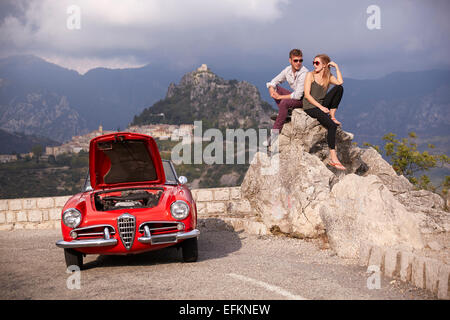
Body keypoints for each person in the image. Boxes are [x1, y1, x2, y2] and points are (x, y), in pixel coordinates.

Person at [302, 54, 345, 170]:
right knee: (332, 126)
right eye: (314, 62)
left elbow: (340, 82)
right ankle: (333, 158)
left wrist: (336, 68)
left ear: (325, 65)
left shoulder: (328, 76)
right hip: (310, 106)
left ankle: (332, 115)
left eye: (317, 63)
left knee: (339, 89)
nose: (314, 65)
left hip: (321, 104)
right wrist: (320, 108)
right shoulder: (310, 75)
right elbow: (307, 95)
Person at [266, 49, 309, 132]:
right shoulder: (287, 70)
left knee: (284, 102)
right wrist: (271, 90)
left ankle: (274, 134)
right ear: (290, 60)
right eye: (295, 60)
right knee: (275, 88)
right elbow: (273, 81)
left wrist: (280, 97)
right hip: (295, 97)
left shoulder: (304, 73)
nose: (298, 63)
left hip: (304, 100)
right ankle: (287, 113)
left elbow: (298, 95)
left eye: (300, 60)